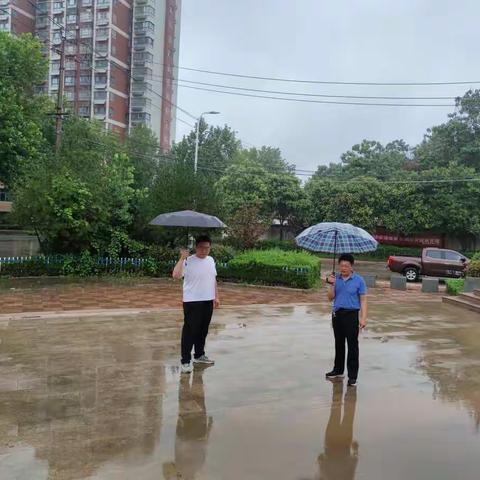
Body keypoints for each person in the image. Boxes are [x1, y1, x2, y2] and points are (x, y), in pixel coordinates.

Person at [172, 234, 220, 374]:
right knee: (190, 331)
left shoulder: (211, 260)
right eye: (201, 248)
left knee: (203, 330)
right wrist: (182, 258)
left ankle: (199, 355)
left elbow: (213, 279)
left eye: (207, 248)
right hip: (192, 301)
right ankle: (185, 361)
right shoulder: (188, 260)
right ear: (196, 247)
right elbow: (175, 275)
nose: (204, 250)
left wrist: (216, 296)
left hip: (207, 300)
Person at [325, 253, 367, 386]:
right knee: (339, 343)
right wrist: (331, 284)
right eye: (341, 265)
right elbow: (330, 298)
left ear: (351, 266)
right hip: (337, 315)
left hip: (351, 315)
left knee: (352, 345)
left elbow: (364, 300)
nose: (343, 268)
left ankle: (353, 376)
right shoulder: (335, 279)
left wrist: (363, 318)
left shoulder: (359, 280)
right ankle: (338, 370)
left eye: (346, 266)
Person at [317, 379, 358, 480]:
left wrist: (355, 450)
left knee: (348, 415)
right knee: (335, 413)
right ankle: (343, 388)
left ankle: (349, 391)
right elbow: (321, 459)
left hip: (345, 444)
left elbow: (353, 462)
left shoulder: (348, 477)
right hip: (330, 444)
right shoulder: (327, 476)